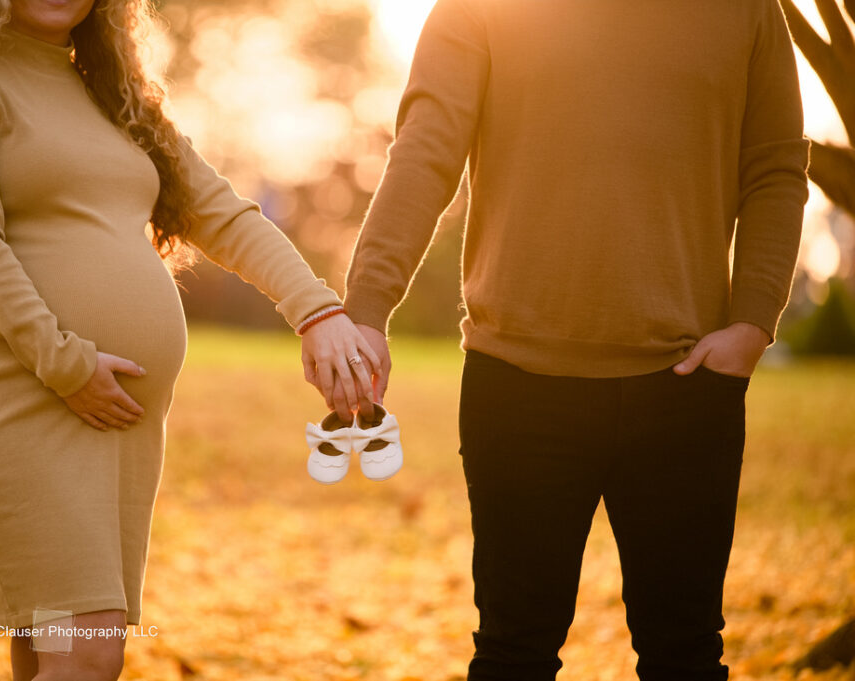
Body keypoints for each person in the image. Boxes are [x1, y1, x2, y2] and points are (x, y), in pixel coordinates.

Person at [0, 1, 376, 679]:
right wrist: (67, 363)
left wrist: (317, 311)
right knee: (87, 649)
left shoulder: (117, 97)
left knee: (57, 652)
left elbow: (223, 215)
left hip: (114, 419)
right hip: (19, 399)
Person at [338, 0, 810, 679]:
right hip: (519, 385)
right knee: (514, 651)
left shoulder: (746, 11)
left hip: (688, 387)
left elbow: (774, 168)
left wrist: (754, 322)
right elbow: (426, 148)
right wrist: (367, 306)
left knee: (686, 653)